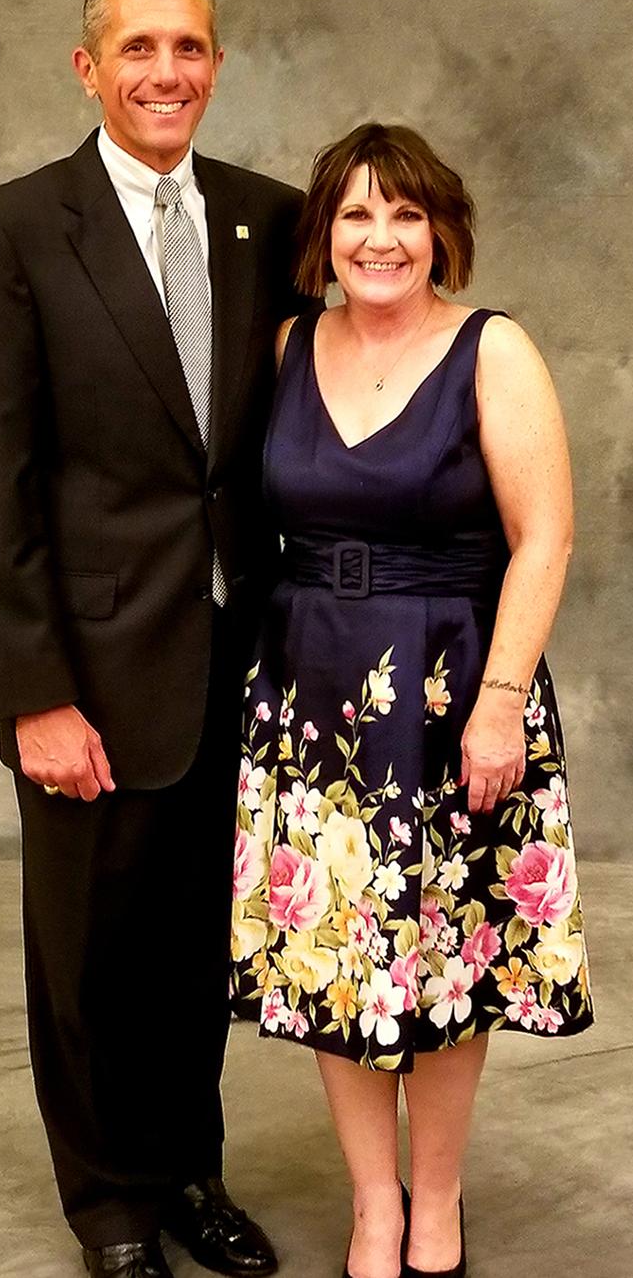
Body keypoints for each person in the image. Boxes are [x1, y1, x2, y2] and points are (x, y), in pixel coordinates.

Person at [0, 0, 305, 1278]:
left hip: (237, 661)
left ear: (217, 63)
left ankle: (188, 1170)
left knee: (198, 946)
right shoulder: (13, 228)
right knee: (89, 957)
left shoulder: (274, 219)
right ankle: (110, 1207)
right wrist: (33, 691)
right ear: (88, 66)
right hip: (87, 668)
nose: (166, 71)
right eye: (138, 47)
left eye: (188, 46)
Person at [230, 123, 594, 1278]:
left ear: (441, 232)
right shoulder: (289, 346)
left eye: (405, 213)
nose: (380, 237)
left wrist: (499, 703)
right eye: (356, 214)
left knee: (444, 959)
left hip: (452, 693)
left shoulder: (494, 351)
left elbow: (545, 538)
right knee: (335, 963)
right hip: (312, 700)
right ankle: (372, 1205)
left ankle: (435, 1201)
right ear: (324, 235)